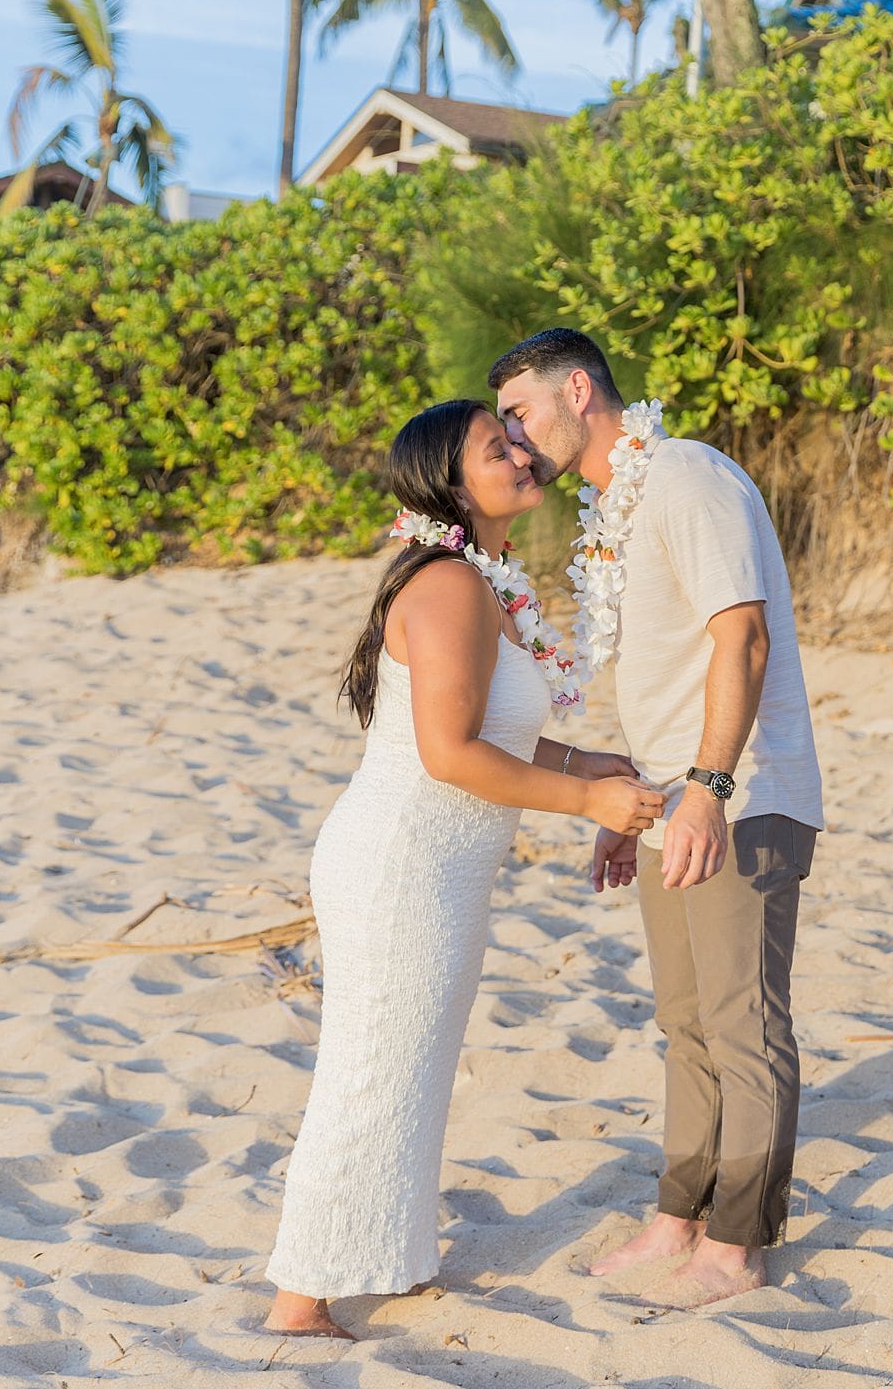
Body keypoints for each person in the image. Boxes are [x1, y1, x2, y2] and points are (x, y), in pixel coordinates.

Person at [263, 398, 662, 1338]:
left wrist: (588, 762)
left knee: (413, 1066)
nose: (523, 454)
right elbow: (448, 754)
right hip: (402, 863)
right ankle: (297, 1299)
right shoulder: (447, 586)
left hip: (437, 862)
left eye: (516, 439)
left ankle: (382, 1255)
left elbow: (496, 733)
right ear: (453, 484)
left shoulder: (478, 580)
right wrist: (589, 803)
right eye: (499, 447)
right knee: (371, 1067)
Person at [490, 330, 824, 1309]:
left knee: (742, 1023)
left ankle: (738, 1245)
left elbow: (743, 636)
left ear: (578, 390)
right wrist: (631, 804)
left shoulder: (685, 477)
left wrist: (709, 789)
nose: (512, 435)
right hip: (671, 797)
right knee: (684, 1023)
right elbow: (668, 667)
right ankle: (679, 1219)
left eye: (519, 410)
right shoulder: (618, 504)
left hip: (742, 796)